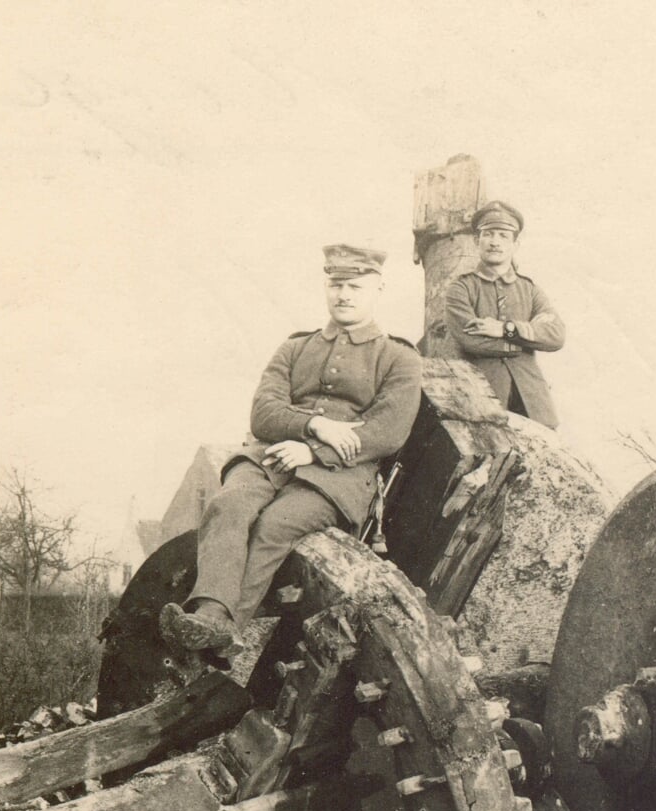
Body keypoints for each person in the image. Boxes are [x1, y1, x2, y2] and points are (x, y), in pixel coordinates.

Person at [161, 243, 423, 652]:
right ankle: (209, 612)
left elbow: (387, 432)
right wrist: (316, 425)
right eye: (336, 284)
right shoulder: (295, 348)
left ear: (378, 289)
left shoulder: (398, 357)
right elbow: (263, 413)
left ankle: (226, 628)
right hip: (269, 457)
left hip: (340, 477)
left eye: (355, 285)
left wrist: (316, 452)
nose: (344, 294)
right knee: (228, 505)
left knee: (276, 525)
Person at [442, 200, 565, 427]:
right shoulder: (461, 287)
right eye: (488, 234)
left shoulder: (530, 290)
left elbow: (556, 335)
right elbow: (471, 340)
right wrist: (524, 343)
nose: (495, 242)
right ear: (477, 240)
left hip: (532, 401)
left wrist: (506, 329)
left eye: (503, 235)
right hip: (479, 397)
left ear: (515, 244)